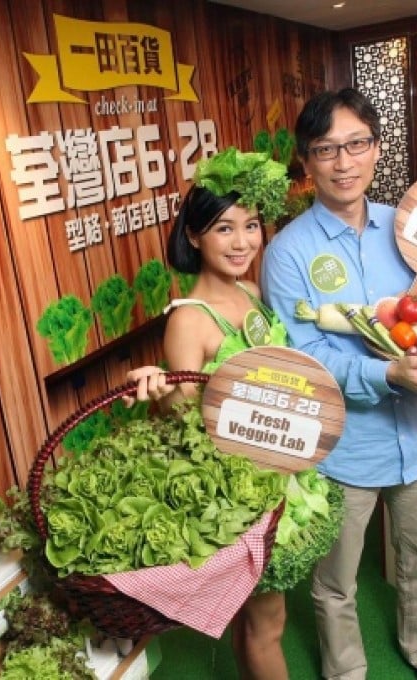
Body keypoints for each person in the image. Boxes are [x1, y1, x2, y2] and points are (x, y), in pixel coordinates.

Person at [260, 88, 417, 680]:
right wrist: (388, 373)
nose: (343, 162)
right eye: (327, 149)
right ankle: (346, 671)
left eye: (356, 144)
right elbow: (309, 356)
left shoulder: (407, 231)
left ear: (376, 150)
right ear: (306, 161)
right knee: (336, 579)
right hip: (346, 450)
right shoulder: (288, 253)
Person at [125, 146, 292, 680]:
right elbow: (187, 424)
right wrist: (157, 392)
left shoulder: (251, 290)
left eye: (250, 225)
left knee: (257, 623)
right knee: (268, 623)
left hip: (279, 468)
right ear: (194, 236)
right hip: (240, 485)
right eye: (224, 228)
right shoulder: (188, 320)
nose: (242, 242)